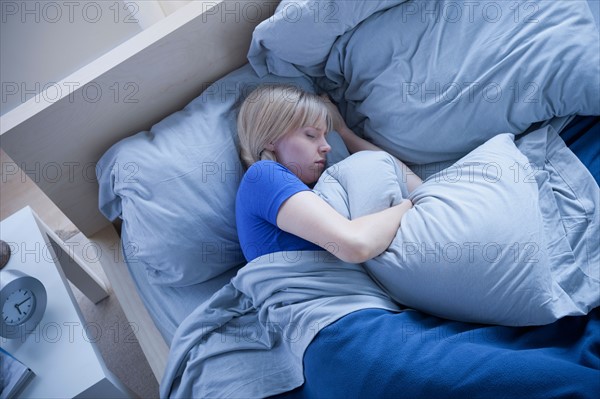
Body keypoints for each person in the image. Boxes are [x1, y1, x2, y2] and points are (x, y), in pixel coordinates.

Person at [236, 84, 422, 264]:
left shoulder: (323, 191)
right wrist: (406, 206)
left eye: (326, 135)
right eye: (311, 135)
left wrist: (344, 133)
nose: (327, 146)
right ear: (271, 139)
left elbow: (417, 186)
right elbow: (356, 246)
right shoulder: (262, 176)